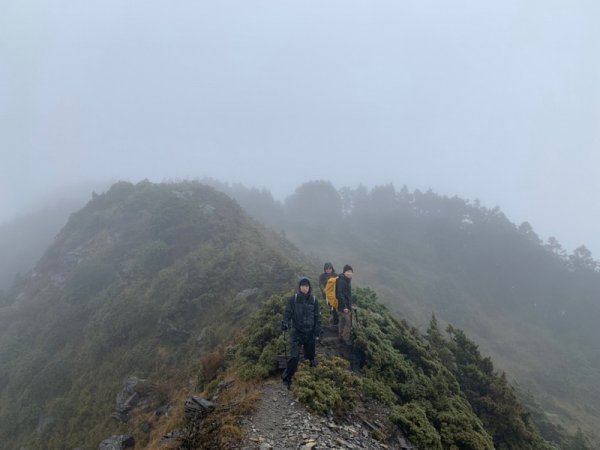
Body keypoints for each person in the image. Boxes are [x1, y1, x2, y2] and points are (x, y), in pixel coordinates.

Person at [281, 277, 321, 389]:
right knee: (294, 357)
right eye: (303, 286)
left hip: (310, 333)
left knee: (310, 357)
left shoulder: (313, 300)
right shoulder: (293, 299)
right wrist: (285, 323)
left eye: (307, 286)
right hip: (297, 333)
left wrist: (317, 331)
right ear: (299, 287)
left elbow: (317, 317)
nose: (305, 288)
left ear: (309, 287)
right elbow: (287, 313)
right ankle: (287, 378)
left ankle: (310, 378)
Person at [336, 264, 353, 345]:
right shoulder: (342, 281)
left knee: (342, 322)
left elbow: (347, 294)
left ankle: (340, 338)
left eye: (350, 271)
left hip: (343, 306)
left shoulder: (346, 280)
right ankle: (345, 340)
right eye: (347, 271)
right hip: (344, 306)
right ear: (344, 272)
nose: (349, 273)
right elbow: (340, 294)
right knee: (348, 323)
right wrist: (345, 306)